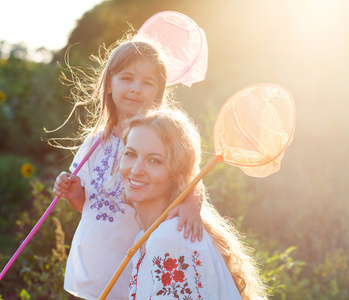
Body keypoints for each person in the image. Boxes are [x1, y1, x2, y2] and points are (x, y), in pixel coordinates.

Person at [53, 38, 203, 299]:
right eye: (127, 78)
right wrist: (72, 191)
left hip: (133, 267)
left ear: (159, 92)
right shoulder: (93, 143)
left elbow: (192, 178)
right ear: (109, 84)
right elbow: (85, 205)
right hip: (92, 267)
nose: (136, 89)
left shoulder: (161, 142)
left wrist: (192, 204)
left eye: (148, 83)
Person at [118, 108, 268, 300]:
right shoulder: (146, 237)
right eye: (130, 154)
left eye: (154, 160)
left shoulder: (170, 236)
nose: (136, 169)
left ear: (177, 173)